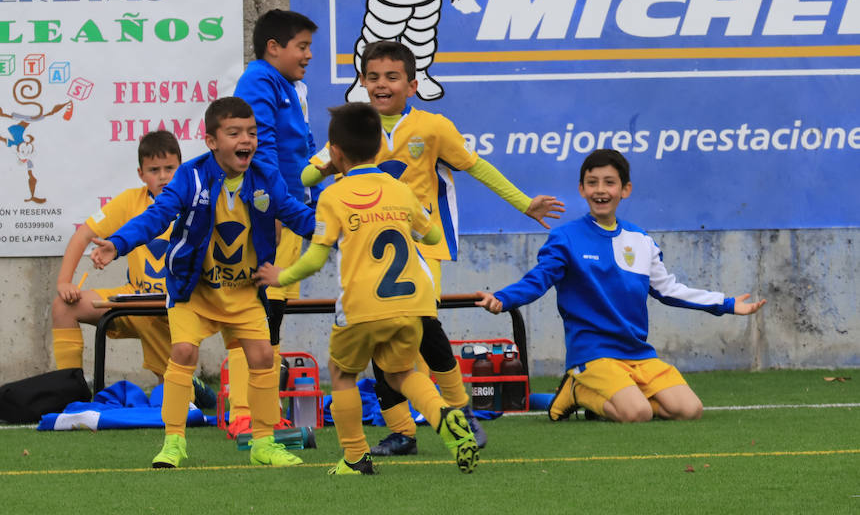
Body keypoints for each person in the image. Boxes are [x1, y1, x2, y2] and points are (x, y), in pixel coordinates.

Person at [302, 40, 564, 455]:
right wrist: (323, 168)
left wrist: (524, 202)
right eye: (373, 77)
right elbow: (307, 175)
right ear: (362, 83)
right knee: (377, 339)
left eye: (392, 76)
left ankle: (464, 413)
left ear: (412, 83)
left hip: (424, 247)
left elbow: (477, 167)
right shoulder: (357, 129)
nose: (381, 85)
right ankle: (402, 432)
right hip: (367, 254)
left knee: (425, 328)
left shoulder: (433, 127)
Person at [90, 97, 315, 468]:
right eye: (235, 133)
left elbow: (296, 214)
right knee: (183, 353)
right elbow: (156, 216)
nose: (246, 140)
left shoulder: (265, 177)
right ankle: (173, 443)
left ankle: (263, 443)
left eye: (252, 132)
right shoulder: (191, 177)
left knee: (262, 357)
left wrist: (339, 231)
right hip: (193, 290)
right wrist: (117, 243)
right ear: (211, 141)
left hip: (243, 291)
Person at [257, 102, 479, 475]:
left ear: (336, 153)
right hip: (413, 305)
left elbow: (314, 259)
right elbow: (435, 234)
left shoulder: (332, 196)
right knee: (400, 374)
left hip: (362, 306)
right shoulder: (399, 190)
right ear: (379, 148)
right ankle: (446, 417)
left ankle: (355, 456)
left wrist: (281, 276)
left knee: (342, 373)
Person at [475, 149, 767, 423]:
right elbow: (538, 279)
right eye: (592, 183)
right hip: (592, 354)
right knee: (636, 413)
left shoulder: (640, 240)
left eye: (609, 183)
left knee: (690, 410)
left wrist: (726, 304)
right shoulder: (566, 238)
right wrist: (503, 299)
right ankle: (577, 388)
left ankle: (613, 393)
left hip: (636, 352)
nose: (600, 190)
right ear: (581, 189)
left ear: (625, 189)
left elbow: (669, 289)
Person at [51, 130, 214, 405]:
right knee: (62, 306)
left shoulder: (198, 202)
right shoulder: (130, 201)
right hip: (134, 299)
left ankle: (193, 386)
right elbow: (82, 236)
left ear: (182, 168)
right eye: (154, 170)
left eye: (170, 168)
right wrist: (64, 282)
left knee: (173, 396)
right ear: (141, 174)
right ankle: (68, 393)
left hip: (178, 308)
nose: (162, 176)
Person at [226, 9, 320, 437]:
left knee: (272, 314)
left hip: (291, 208)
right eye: (302, 46)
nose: (309, 55)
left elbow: (303, 149)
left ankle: (265, 410)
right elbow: (257, 146)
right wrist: (272, 206)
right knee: (254, 313)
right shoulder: (259, 80)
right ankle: (244, 411)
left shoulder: (291, 86)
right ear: (274, 47)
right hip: (272, 213)